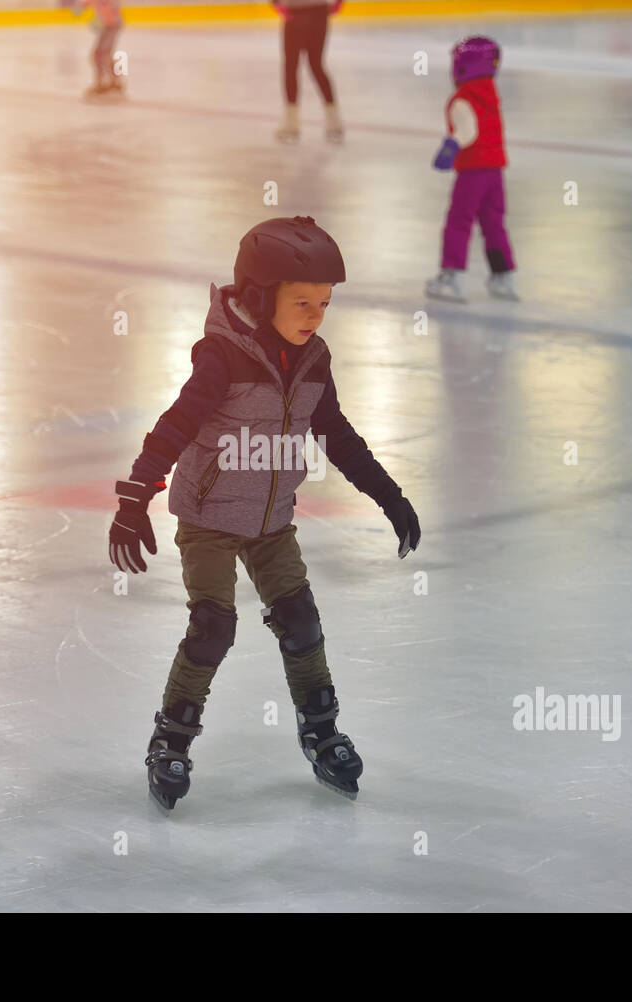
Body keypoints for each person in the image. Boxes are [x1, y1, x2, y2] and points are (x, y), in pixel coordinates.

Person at [109, 215, 421, 811]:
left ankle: (321, 731)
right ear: (259, 296)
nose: (314, 316)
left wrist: (388, 494)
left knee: (300, 621)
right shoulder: (223, 357)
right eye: (301, 302)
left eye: (324, 304)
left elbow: (336, 433)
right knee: (214, 625)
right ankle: (171, 739)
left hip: (272, 521)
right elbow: (176, 426)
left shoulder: (313, 360)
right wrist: (135, 495)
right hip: (209, 517)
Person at [425, 36, 518, 304]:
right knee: (494, 223)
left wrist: (450, 147)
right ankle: (503, 275)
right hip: (495, 173)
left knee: (459, 222)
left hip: (473, 172)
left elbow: (468, 131)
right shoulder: (490, 95)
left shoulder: (462, 99)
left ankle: (452, 278)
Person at [271, 0, 344, 143]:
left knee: (292, 66)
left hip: (296, 11)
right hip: (319, 12)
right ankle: (334, 121)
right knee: (316, 65)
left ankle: (292, 124)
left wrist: (276, 3)